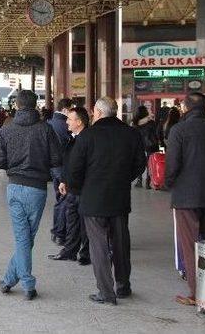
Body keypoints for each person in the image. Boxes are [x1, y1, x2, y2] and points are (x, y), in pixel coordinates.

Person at [68, 97, 146, 305]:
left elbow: (74, 169)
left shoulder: (87, 136)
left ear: (98, 112)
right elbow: (140, 163)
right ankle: (123, 286)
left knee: (99, 245)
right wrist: (123, 179)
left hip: (93, 199)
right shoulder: (131, 134)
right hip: (119, 198)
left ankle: (106, 291)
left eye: (93, 111)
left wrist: (79, 189)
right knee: (121, 243)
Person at [0, 90, 61, 300]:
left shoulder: (7, 129)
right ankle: (22, 282)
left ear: (17, 105)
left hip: (14, 187)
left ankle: (14, 281)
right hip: (37, 189)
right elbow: (56, 160)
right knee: (26, 238)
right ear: (36, 105)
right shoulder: (46, 129)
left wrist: (13, 165)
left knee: (24, 238)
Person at [165, 92, 205, 306]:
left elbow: (172, 164)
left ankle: (197, 293)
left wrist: (169, 183)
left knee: (190, 246)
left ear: (186, 107)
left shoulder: (178, 130)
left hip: (186, 197)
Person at [48, 107, 90, 265]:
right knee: (71, 220)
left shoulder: (87, 139)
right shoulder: (73, 138)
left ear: (79, 122)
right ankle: (70, 251)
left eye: (70, 119)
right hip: (72, 187)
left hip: (83, 189)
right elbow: (69, 162)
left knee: (85, 223)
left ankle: (86, 254)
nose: (66, 122)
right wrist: (64, 181)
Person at [48, 98, 74, 246]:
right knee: (65, 199)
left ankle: (59, 232)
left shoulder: (49, 123)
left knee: (60, 197)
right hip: (63, 167)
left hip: (53, 167)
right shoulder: (64, 125)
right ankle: (59, 232)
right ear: (65, 109)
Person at [131, 106, 158, 189]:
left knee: (140, 163)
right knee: (150, 164)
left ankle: (139, 181)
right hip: (150, 145)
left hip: (139, 146)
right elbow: (155, 134)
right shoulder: (151, 123)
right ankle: (148, 182)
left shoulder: (134, 124)